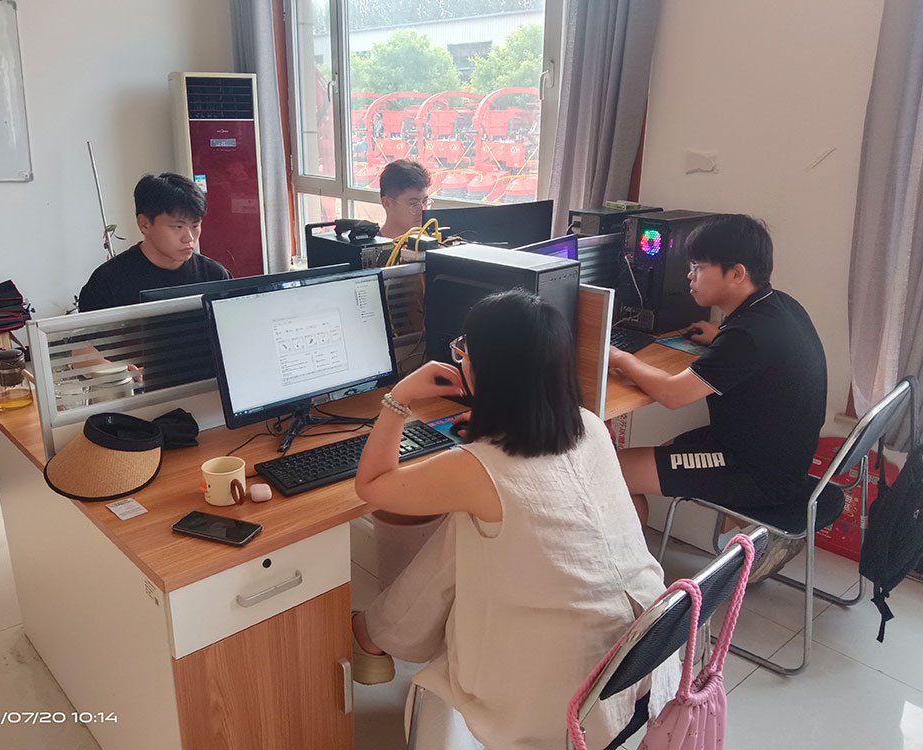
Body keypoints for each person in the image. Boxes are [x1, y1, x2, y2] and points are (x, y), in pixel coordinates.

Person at [352, 290, 676, 750]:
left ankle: (375, 633)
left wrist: (398, 399)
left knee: (465, 532)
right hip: (645, 650)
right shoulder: (588, 425)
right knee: (473, 530)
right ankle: (377, 631)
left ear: (487, 373)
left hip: (560, 691)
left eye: (467, 349)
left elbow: (372, 484)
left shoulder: (478, 467)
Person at [609, 214, 827, 577]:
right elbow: (749, 345)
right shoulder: (779, 306)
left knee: (612, 470)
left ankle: (630, 577)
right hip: (776, 455)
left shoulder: (746, 337)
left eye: (698, 267)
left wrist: (620, 357)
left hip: (754, 471)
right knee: (649, 458)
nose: (689, 276)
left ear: (737, 273)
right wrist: (718, 333)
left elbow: (673, 394)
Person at [78, 173, 230, 312]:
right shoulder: (107, 283)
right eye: (178, 226)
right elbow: (88, 341)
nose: (189, 237)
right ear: (144, 224)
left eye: (195, 225)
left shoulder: (215, 276)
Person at [378, 159, 432, 239]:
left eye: (425, 202)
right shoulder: (368, 248)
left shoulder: (434, 245)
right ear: (387, 203)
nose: (422, 210)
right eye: (414, 204)